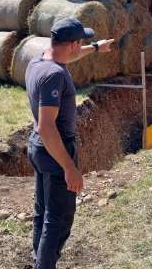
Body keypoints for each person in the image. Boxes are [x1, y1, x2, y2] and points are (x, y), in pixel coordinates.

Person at [25, 17, 114, 269]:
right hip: (55, 149)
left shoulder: (39, 61)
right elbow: (46, 126)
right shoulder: (54, 76)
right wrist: (69, 167)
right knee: (59, 219)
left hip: (38, 147)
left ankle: (39, 261)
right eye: (81, 43)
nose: (80, 47)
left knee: (43, 213)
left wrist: (96, 47)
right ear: (73, 44)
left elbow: (70, 57)